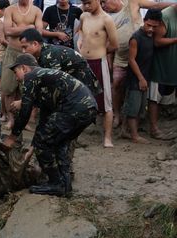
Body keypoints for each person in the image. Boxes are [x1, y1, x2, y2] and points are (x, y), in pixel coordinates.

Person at [3, 53, 97, 197]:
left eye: (16, 72)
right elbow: (45, 119)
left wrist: (13, 136)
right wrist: (33, 144)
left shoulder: (31, 76)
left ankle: (56, 183)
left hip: (74, 108)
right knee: (59, 144)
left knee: (43, 144)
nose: (16, 77)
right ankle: (65, 185)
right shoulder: (44, 82)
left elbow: (25, 111)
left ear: (24, 68)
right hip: (88, 108)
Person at [101, 0, 174, 128]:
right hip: (121, 57)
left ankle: (136, 119)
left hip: (142, 58)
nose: (103, 6)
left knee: (138, 88)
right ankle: (117, 115)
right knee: (117, 84)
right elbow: (107, 41)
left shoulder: (132, 3)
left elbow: (156, 5)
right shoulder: (106, 17)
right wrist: (109, 60)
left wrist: (173, 5)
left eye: (104, 2)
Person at [78, 0, 118, 148]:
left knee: (106, 102)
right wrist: (81, 40)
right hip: (83, 62)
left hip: (99, 63)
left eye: (88, 3)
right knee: (80, 97)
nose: (86, 6)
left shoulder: (106, 19)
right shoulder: (84, 16)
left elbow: (115, 44)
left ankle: (107, 138)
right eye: (84, 3)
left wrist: (100, 52)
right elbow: (80, 30)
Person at [19, 28, 102, 97]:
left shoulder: (48, 55)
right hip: (75, 84)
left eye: (25, 47)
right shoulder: (43, 52)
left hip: (83, 83)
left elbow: (53, 83)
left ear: (35, 44)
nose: (23, 51)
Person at [121, 9, 162, 144]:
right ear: (144, 21)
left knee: (139, 108)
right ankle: (134, 135)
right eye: (149, 25)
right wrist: (141, 78)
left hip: (145, 76)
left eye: (154, 27)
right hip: (135, 78)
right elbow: (131, 60)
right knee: (133, 108)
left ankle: (126, 131)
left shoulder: (151, 36)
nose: (151, 29)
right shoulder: (136, 37)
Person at [1, 0, 42, 129]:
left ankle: (23, 121)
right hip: (12, 52)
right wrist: (29, 27)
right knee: (8, 88)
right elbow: (8, 31)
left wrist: (17, 28)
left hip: (29, 56)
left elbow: (38, 33)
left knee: (25, 89)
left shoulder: (36, 11)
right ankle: (11, 119)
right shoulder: (10, 10)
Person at [149, 4, 177, 139]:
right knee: (155, 98)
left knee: (166, 97)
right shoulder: (166, 16)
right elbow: (157, 41)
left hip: (173, 65)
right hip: (161, 65)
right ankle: (153, 129)